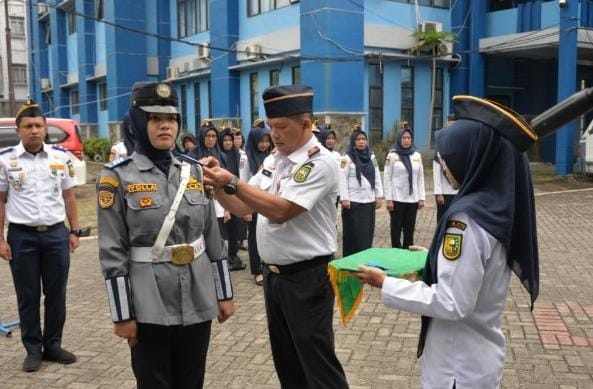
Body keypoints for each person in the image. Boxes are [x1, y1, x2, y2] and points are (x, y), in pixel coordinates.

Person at [355, 95, 540, 388]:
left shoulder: (464, 222)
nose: (442, 167)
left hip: (457, 371)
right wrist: (434, 257)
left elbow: (452, 302)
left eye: (447, 160)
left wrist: (384, 283)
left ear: (471, 159)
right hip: (476, 360)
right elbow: (477, 269)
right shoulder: (493, 207)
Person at [201, 84, 349, 388]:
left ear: (306, 124)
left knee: (318, 368)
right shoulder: (274, 161)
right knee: (288, 366)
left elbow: (281, 210)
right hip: (275, 279)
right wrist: (217, 185)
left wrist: (232, 181)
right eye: (271, 127)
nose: (274, 135)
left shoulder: (320, 162)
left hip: (307, 279)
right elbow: (243, 205)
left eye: (281, 127)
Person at [96, 81, 235, 388]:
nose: (165, 126)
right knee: (154, 381)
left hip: (197, 292)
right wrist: (122, 314)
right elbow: (112, 250)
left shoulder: (194, 171)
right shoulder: (116, 176)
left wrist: (224, 293)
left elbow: (212, 236)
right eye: (155, 119)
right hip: (148, 300)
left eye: (171, 119)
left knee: (192, 379)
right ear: (137, 122)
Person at [0, 99, 81, 372]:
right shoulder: (5, 160)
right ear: (19, 130)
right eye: (28, 126)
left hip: (56, 235)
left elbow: (70, 197)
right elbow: (0, 201)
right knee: (28, 294)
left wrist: (74, 231)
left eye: (38, 125)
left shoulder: (61, 157)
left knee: (56, 293)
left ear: (45, 129)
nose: (34, 130)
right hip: (22, 237)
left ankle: (53, 345)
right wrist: (0, 239)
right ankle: (33, 349)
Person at [189, 120, 246, 271]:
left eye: (214, 136)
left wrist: (227, 208)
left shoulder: (221, 155)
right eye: (208, 136)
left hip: (219, 201)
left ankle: (221, 262)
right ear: (202, 137)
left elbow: (227, 182)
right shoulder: (192, 155)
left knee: (219, 234)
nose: (211, 139)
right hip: (199, 200)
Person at [339, 128, 383, 256]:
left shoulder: (372, 156)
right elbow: (342, 178)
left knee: (366, 234)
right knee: (353, 235)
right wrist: (344, 198)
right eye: (358, 139)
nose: (361, 142)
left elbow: (377, 176)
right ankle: (350, 262)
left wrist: (379, 195)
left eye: (363, 139)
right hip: (353, 202)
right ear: (353, 142)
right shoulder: (346, 158)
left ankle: (364, 259)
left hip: (368, 201)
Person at [383, 125, 425, 249]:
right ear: (399, 139)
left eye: (409, 138)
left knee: (410, 229)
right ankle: (396, 252)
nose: (406, 140)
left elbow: (420, 178)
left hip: (412, 199)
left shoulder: (417, 155)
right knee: (396, 229)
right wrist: (389, 199)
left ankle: (408, 253)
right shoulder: (392, 155)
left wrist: (421, 198)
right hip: (397, 199)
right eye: (404, 138)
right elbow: (387, 177)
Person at [242, 122, 274, 286]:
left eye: (267, 141)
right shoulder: (246, 158)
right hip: (253, 202)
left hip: (268, 202)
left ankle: (267, 264)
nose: (264, 144)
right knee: (254, 237)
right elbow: (243, 182)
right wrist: (246, 208)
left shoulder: (271, 158)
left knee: (267, 234)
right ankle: (257, 271)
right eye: (261, 141)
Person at [217, 127, 244, 269]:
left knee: (235, 229)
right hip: (222, 198)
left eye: (230, 140)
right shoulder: (219, 156)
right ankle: (225, 256)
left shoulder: (237, 155)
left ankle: (234, 255)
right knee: (224, 230)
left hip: (236, 195)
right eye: (225, 140)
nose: (228, 143)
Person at [432, 129, 458, 222]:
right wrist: (439, 193)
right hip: (444, 192)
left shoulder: (460, 149)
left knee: (456, 219)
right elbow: (436, 175)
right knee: (443, 220)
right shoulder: (439, 152)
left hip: (458, 192)